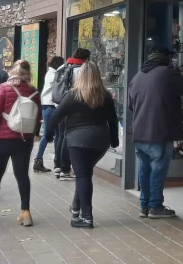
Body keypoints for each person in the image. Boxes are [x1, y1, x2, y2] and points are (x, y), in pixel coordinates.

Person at [46, 62, 119, 228]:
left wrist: (49, 134)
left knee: (82, 176)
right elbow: (112, 119)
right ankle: (76, 207)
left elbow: (56, 115)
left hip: (78, 141)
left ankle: (86, 217)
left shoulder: (73, 95)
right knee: (85, 173)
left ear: (80, 76)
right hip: (100, 140)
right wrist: (114, 139)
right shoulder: (105, 95)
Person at [0, 60, 42, 226]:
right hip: (24, 139)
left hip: (2, 139)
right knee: (22, 175)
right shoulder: (34, 92)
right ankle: (26, 212)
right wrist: (32, 135)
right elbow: (38, 118)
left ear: (13, 72)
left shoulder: (3, 88)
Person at [128, 45, 183, 219]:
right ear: (166, 58)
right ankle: (155, 207)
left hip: (140, 132)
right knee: (158, 170)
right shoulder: (168, 73)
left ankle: (144, 206)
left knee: (144, 170)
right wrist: (176, 70)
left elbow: (131, 105)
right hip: (159, 131)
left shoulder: (137, 76)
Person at [53, 48, 90, 181]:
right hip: (73, 107)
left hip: (60, 105)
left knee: (62, 136)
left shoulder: (63, 67)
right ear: (86, 58)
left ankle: (58, 166)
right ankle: (65, 170)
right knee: (67, 137)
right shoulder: (81, 70)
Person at [33, 55, 65, 173]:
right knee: (48, 134)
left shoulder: (50, 74)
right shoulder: (54, 75)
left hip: (48, 106)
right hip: (50, 107)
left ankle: (57, 162)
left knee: (56, 134)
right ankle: (38, 160)